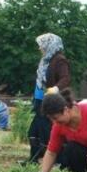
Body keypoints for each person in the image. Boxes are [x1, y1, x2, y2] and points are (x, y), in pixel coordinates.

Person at [27, 33, 71, 162]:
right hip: (40, 101)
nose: (39, 48)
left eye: (41, 45)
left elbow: (66, 78)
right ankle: (35, 159)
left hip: (50, 102)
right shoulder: (45, 60)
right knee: (34, 131)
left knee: (46, 132)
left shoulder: (59, 60)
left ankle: (55, 160)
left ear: (49, 46)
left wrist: (55, 89)